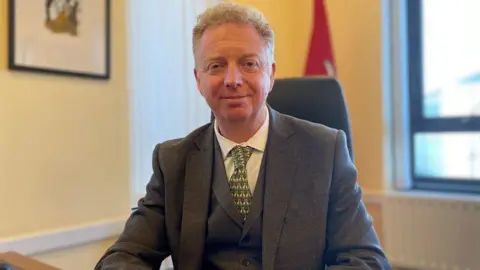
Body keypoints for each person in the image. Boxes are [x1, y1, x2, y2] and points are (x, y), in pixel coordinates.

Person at [95, 2, 391, 270]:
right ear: (198, 79)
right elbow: (123, 256)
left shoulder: (324, 151)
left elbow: (366, 261)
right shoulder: (173, 161)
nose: (233, 80)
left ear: (270, 74)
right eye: (216, 66)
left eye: (249, 63)